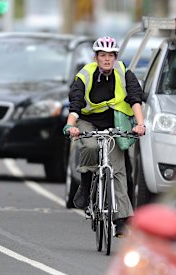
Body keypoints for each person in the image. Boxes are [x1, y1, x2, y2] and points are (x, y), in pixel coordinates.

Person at [63, 36, 146, 237]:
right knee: (90, 147)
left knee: (118, 171)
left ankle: (121, 220)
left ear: (115, 57)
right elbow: (76, 103)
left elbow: (135, 97)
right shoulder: (85, 74)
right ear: (96, 57)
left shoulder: (124, 72)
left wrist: (140, 124)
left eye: (110, 55)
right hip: (88, 120)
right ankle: (85, 184)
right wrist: (70, 125)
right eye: (102, 55)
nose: (107, 59)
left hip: (114, 124)